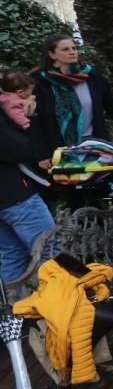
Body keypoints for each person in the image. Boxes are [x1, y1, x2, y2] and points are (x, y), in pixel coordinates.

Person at [32, 33, 113, 155]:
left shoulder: (91, 76)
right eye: (65, 49)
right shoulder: (40, 82)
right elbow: (36, 122)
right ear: (52, 54)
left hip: (95, 142)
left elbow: (112, 106)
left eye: (74, 48)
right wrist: (41, 154)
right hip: (60, 149)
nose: (72, 52)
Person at [0, 75, 54, 297]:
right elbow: (20, 149)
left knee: (11, 256)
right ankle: (63, 314)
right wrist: (30, 121)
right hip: (15, 194)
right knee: (49, 249)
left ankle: (18, 320)